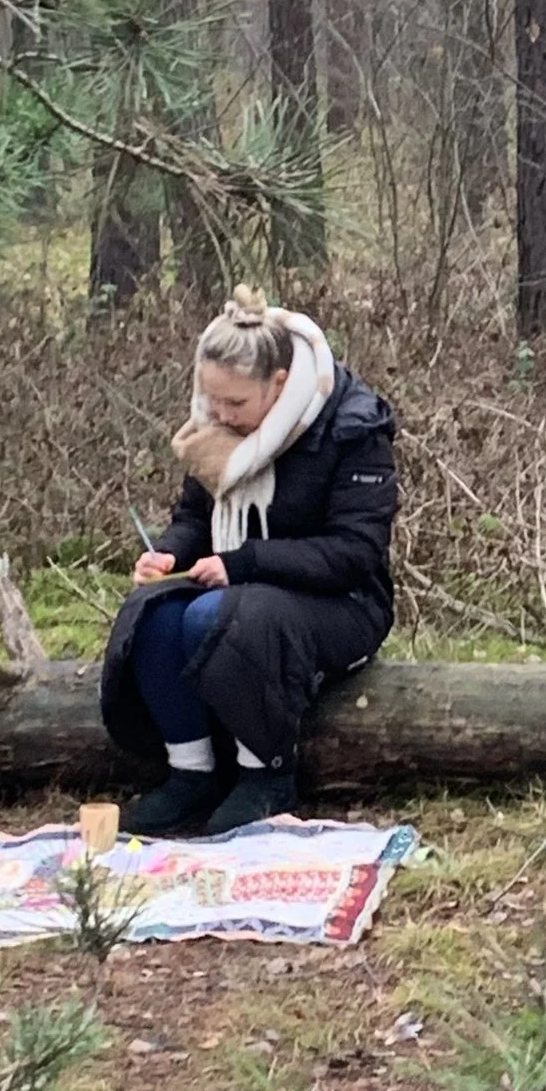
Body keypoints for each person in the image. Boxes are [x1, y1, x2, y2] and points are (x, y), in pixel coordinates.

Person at [100, 291, 397, 835]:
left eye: (234, 404)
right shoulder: (218, 428)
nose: (219, 415)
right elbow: (196, 517)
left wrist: (244, 561)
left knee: (227, 617)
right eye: (212, 399)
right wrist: (169, 551)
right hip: (241, 589)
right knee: (154, 614)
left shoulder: (353, 426)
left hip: (343, 604)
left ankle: (266, 773)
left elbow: (355, 554)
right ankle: (191, 773)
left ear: (279, 384)